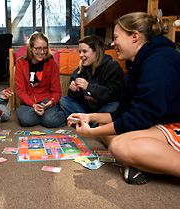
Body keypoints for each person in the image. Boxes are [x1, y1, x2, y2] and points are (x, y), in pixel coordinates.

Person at [68, 12, 180, 185]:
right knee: (107, 129)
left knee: (118, 145)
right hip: (159, 123)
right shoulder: (136, 63)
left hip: (173, 124)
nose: (112, 43)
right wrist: (90, 117)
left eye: (116, 37)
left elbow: (138, 118)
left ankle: (146, 161)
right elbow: (122, 112)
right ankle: (144, 161)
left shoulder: (160, 60)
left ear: (135, 37)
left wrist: (91, 132)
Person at [59, 36, 124, 127]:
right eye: (80, 52)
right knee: (64, 100)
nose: (81, 55)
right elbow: (73, 97)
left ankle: (87, 123)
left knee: (116, 105)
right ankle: (92, 124)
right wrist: (74, 90)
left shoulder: (112, 66)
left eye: (85, 51)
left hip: (104, 108)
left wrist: (89, 87)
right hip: (87, 109)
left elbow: (114, 95)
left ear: (96, 52)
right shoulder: (81, 68)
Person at [15, 32, 66, 128]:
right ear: (30, 47)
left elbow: (57, 91)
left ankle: (62, 115)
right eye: (38, 48)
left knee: (49, 120)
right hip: (28, 103)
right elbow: (21, 91)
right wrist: (33, 105)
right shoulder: (20, 64)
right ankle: (44, 118)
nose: (42, 52)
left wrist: (50, 103)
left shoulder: (52, 64)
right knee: (26, 119)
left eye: (45, 48)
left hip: (46, 101)